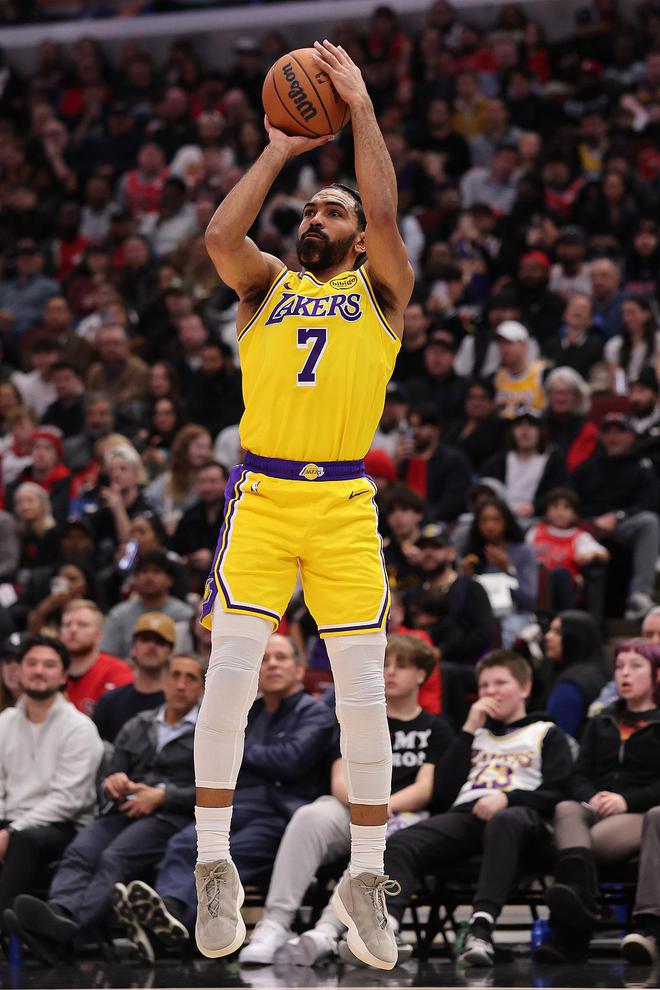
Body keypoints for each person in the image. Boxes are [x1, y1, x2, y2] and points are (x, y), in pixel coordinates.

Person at [195, 40, 414, 969]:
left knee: (362, 692)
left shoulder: (382, 293)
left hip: (342, 504)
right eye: (310, 209)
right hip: (262, 495)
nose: (315, 216)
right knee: (230, 676)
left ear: (359, 239)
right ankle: (214, 865)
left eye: (334, 210)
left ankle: (366, 876)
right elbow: (220, 237)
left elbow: (386, 209)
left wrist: (359, 108)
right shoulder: (265, 289)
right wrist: (281, 148)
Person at [238, 633, 453, 966]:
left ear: (421, 674)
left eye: (401, 666)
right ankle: (275, 923)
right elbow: (339, 778)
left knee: (382, 839)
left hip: (404, 813)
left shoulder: (435, 728)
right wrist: (363, 807)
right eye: (384, 664)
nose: (390, 672)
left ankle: (325, 931)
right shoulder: (355, 719)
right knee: (310, 816)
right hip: (351, 805)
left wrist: (383, 808)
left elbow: (425, 788)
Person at [116, 634, 337, 954]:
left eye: (281, 658)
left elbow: (290, 761)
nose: (272, 665)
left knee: (228, 856)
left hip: (280, 816)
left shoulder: (315, 713)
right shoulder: (251, 711)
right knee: (184, 842)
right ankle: (169, 913)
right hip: (239, 806)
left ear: (300, 669)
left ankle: (170, 928)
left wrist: (238, 746)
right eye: (264, 659)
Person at [382, 649, 573, 967]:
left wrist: (509, 798)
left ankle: (480, 930)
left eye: (500, 683)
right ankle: (387, 929)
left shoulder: (546, 733)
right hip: (468, 814)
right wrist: (469, 729)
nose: (491, 692)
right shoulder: (476, 735)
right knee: (402, 842)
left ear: (524, 688)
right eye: (484, 686)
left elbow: (560, 791)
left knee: (505, 821)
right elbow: (443, 792)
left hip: (523, 821)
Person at [10, 654, 205, 966]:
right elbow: (108, 776)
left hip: (170, 816)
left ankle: (70, 930)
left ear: (201, 688)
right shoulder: (138, 724)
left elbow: (216, 788)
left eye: (190, 678)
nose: (181, 684)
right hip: (124, 810)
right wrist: (113, 782)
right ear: (165, 681)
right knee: (81, 850)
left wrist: (163, 796)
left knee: (115, 857)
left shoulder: (208, 731)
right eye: (175, 675)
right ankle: (58, 913)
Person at [537, 639, 660, 966]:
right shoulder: (601, 720)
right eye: (619, 667)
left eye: (635, 666)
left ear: (657, 675)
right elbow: (577, 776)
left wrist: (626, 800)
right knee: (565, 808)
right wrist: (591, 795)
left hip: (640, 812)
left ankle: (570, 934)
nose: (625, 674)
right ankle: (585, 906)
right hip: (596, 805)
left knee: (582, 844)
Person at [0, 635, 103, 924]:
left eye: (48, 665)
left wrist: (12, 830)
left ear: (63, 675)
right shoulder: (5, 721)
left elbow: (68, 800)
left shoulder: (79, 728)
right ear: (20, 670)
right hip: (10, 821)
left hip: (63, 825)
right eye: (31, 663)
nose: (38, 671)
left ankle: (4, 930)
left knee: (24, 840)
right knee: (18, 837)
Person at [570, 412, 660, 620]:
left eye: (620, 432)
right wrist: (589, 521)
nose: (613, 438)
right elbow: (569, 499)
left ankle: (640, 595)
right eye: (608, 432)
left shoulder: (641, 468)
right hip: (586, 526)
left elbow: (650, 502)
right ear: (601, 437)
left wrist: (618, 516)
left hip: (622, 525)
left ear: (631, 436)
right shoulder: (586, 468)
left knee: (649, 522)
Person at [462, 498, 539, 647]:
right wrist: (466, 577)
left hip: (514, 613)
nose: (490, 525)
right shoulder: (472, 552)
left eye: (496, 520)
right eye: (484, 520)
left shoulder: (523, 551)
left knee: (509, 629)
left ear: (506, 522)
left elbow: (529, 600)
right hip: (480, 614)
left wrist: (507, 569)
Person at [93, 612, 175, 743]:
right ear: (133, 648)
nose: (152, 646)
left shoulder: (178, 702)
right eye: (145, 639)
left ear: (170, 652)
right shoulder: (110, 702)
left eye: (160, 641)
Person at [527, 487, 609, 615]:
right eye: (555, 507)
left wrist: (591, 554)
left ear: (575, 515)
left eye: (566, 508)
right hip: (537, 584)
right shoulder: (535, 531)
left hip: (566, 590)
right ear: (546, 512)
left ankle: (563, 618)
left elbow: (604, 554)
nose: (560, 512)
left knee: (560, 573)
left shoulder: (579, 536)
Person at [100, 550, 194, 660]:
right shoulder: (119, 615)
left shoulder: (185, 615)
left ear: (170, 580)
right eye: (144, 571)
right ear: (135, 578)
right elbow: (106, 656)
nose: (149, 577)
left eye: (156, 571)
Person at [480, 407, 567, 522]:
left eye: (531, 426)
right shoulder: (500, 459)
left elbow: (560, 492)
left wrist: (535, 507)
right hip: (501, 518)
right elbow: (485, 485)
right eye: (519, 426)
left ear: (541, 431)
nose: (524, 431)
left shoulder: (553, 460)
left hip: (538, 519)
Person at [542, 610, 610, 738]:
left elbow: (556, 739)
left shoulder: (570, 685)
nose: (548, 636)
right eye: (550, 630)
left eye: (558, 632)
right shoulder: (600, 672)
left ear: (575, 638)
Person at [60, 599, 133, 716]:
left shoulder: (118, 671)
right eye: (67, 625)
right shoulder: (50, 670)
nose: (73, 630)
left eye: (82, 625)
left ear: (98, 634)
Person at [493, 320, 545, 417]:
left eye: (509, 343)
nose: (504, 349)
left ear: (524, 345)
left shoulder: (541, 373)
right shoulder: (496, 377)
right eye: (500, 343)